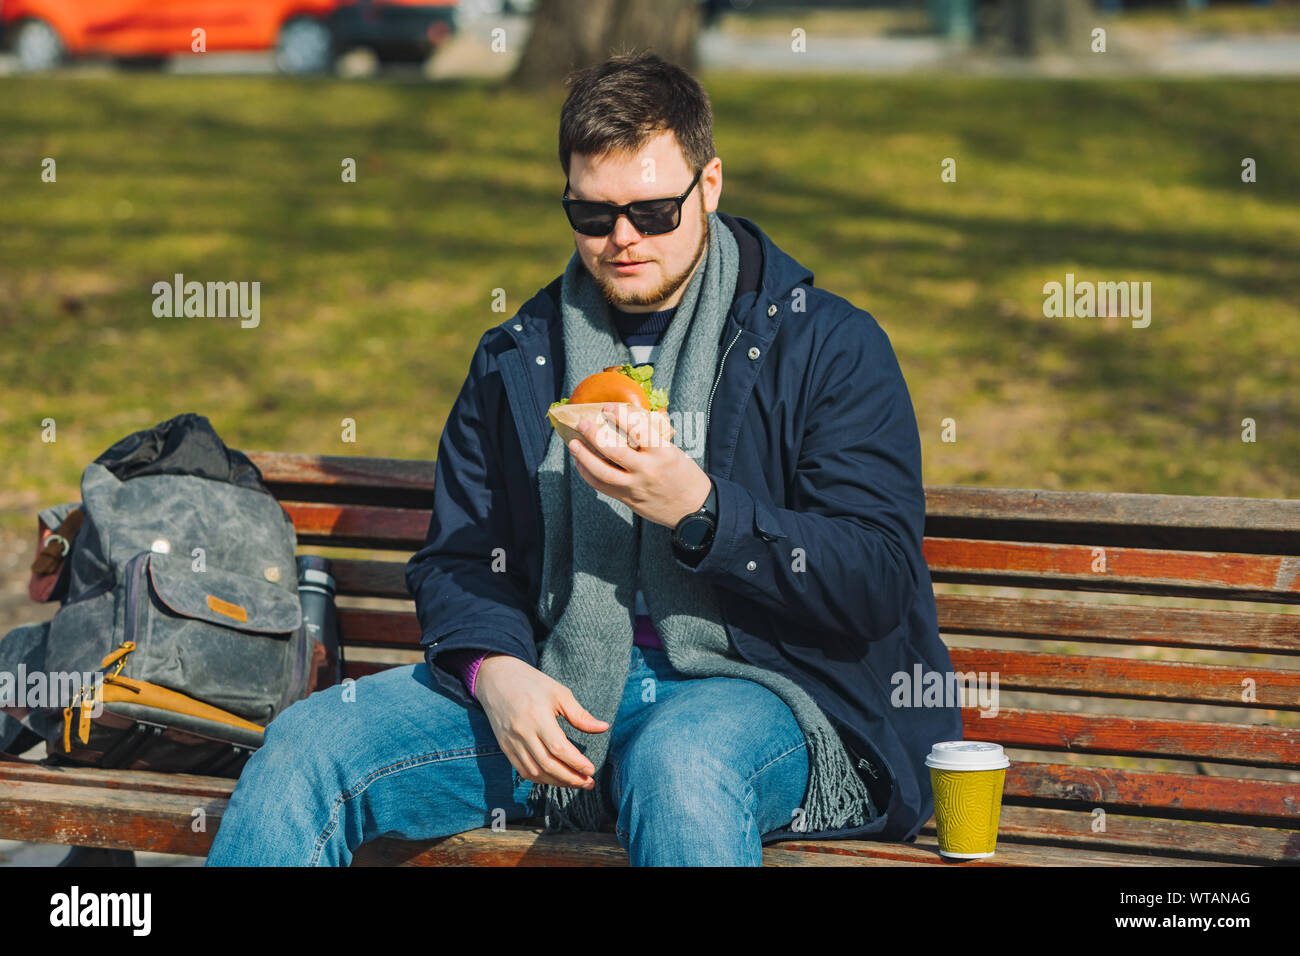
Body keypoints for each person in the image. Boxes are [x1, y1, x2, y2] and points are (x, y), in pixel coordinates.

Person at [206, 50, 961, 867]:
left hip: (758, 692)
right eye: (593, 216)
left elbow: (877, 576)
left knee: (681, 766)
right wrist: (492, 669)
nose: (622, 239)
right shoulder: (520, 357)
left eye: (653, 211)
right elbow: (461, 556)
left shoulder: (824, 344)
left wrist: (703, 513)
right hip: (555, 685)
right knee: (310, 743)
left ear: (709, 186)